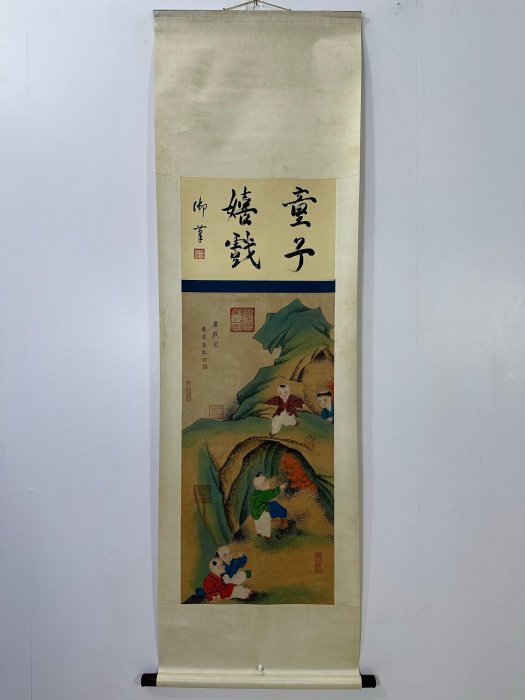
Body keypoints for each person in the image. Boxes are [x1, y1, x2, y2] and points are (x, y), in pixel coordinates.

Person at [250, 473, 288, 539]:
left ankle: (260, 532)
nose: (267, 483)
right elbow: (271, 493)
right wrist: (280, 488)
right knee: (266, 528)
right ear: (258, 487)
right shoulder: (262, 494)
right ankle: (269, 539)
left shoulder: (255, 494)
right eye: (264, 483)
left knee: (260, 525)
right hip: (263, 512)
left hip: (256, 514)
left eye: (266, 480)